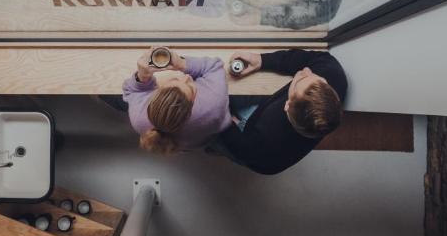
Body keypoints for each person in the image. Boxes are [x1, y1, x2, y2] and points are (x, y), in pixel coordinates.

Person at [216, 49, 347, 174]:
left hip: (253, 146)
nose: (306, 70)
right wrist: (261, 60)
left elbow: (242, 149)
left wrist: (227, 123)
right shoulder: (334, 77)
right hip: (261, 119)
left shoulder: (268, 147)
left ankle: (216, 148)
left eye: (299, 81)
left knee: (214, 133)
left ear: (287, 106)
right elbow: (310, 59)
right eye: (316, 77)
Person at [122, 47, 231, 155]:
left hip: (187, 145)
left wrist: (142, 76)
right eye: (191, 88)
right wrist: (182, 63)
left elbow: (131, 91)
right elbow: (214, 65)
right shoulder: (214, 105)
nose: (187, 77)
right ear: (191, 107)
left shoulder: (139, 120)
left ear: (155, 94)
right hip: (204, 139)